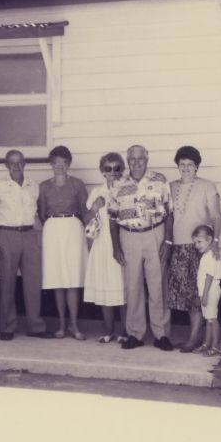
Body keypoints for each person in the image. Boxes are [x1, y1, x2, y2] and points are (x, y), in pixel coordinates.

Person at [0, 149, 53, 341]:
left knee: (33, 282)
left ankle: (35, 326)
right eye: (12, 162)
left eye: (19, 162)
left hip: (29, 235)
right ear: (6, 165)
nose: (16, 166)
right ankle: (7, 326)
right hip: (7, 236)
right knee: (8, 283)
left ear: (25, 163)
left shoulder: (33, 186)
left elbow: (42, 213)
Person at [108, 145, 174, 351]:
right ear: (128, 161)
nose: (136, 162)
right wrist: (116, 247)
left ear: (147, 159)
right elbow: (112, 217)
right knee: (133, 286)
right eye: (132, 159)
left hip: (155, 233)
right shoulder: (118, 183)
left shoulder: (160, 180)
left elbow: (170, 212)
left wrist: (168, 241)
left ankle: (161, 334)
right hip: (129, 237)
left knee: (157, 285)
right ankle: (135, 333)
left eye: (140, 158)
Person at [166, 145, 221, 353]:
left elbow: (216, 216)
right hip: (178, 246)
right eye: (182, 164)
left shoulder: (207, 186)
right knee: (186, 294)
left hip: (199, 248)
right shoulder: (170, 186)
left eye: (190, 164)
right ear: (177, 166)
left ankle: (194, 338)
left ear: (197, 166)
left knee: (198, 293)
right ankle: (195, 336)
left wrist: (215, 242)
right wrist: (168, 243)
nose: (186, 168)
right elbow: (168, 217)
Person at [37, 146, 89, 340]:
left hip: (73, 229)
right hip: (52, 230)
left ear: (69, 164)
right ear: (51, 164)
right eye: (56, 162)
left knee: (72, 278)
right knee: (57, 278)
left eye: (64, 162)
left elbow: (85, 211)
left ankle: (74, 325)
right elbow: (41, 214)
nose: (60, 166)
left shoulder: (77, 184)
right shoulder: (43, 186)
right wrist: (53, 226)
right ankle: (61, 324)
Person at [83, 152, 127, 343]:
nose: (112, 172)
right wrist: (93, 208)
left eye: (117, 168)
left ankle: (125, 331)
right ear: (102, 171)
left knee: (123, 288)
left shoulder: (128, 190)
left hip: (122, 243)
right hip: (102, 245)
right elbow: (86, 221)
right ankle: (108, 330)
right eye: (108, 168)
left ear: (122, 170)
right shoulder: (96, 192)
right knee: (104, 287)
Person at [193, 225, 221, 357]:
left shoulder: (211, 256)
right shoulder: (206, 255)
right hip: (205, 292)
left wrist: (204, 295)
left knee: (212, 319)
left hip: (210, 291)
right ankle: (206, 344)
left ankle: (215, 346)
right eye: (195, 242)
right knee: (208, 319)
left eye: (199, 242)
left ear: (209, 239)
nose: (196, 245)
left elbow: (209, 277)